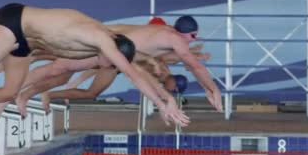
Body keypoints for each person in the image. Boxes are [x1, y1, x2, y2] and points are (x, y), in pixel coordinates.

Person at [0, 4, 189, 137]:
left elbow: (141, 69)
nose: (107, 68)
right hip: (16, 22)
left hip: (24, 43)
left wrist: (165, 98)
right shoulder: (100, 40)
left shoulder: (102, 45)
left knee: (7, 89)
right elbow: (134, 73)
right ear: (110, 52)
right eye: (110, 63)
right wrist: (164, 103)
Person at [16, 15, 222, 114]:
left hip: (118, 61)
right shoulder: (173, 40)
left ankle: (35, 94)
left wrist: (204, 83)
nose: (193, 39)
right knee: (59, 67)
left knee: (88, 91)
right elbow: (195, 67)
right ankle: (16, 89)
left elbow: (187, 62)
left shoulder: (170, 44)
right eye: (193, 36)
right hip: (110, 50)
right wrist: (213, 90)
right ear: (183, 32)